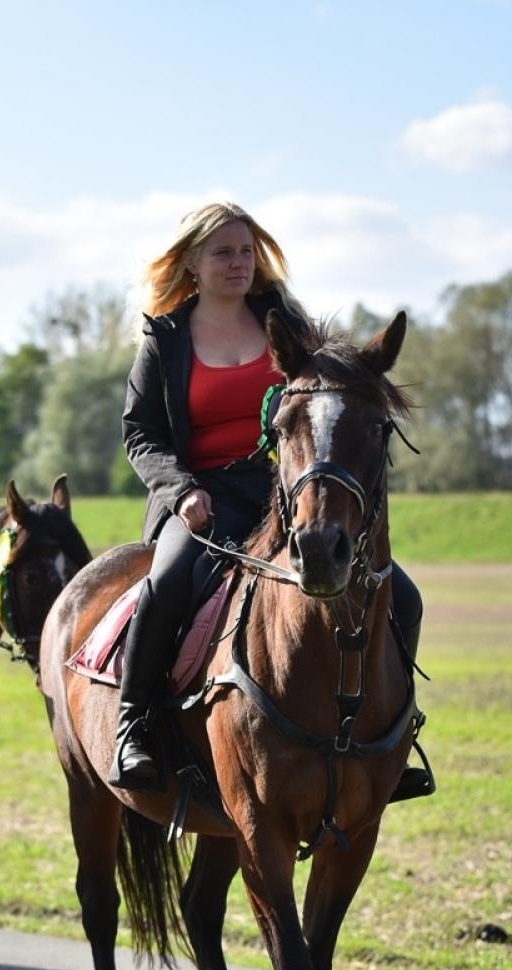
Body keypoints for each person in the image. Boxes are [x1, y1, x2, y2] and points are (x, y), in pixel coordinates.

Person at [114, 203, 425, 794]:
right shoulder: (165, 339)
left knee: (402, 596)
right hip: (202, 501)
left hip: (288, 497)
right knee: (169, 583)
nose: (238, 263)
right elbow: (141, 433)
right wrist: (181, 492)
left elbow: (332, 390)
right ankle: (134, 726)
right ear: (193, 263)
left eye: (246, 251)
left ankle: (394, 740)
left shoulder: (287, 323)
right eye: (223, 252)